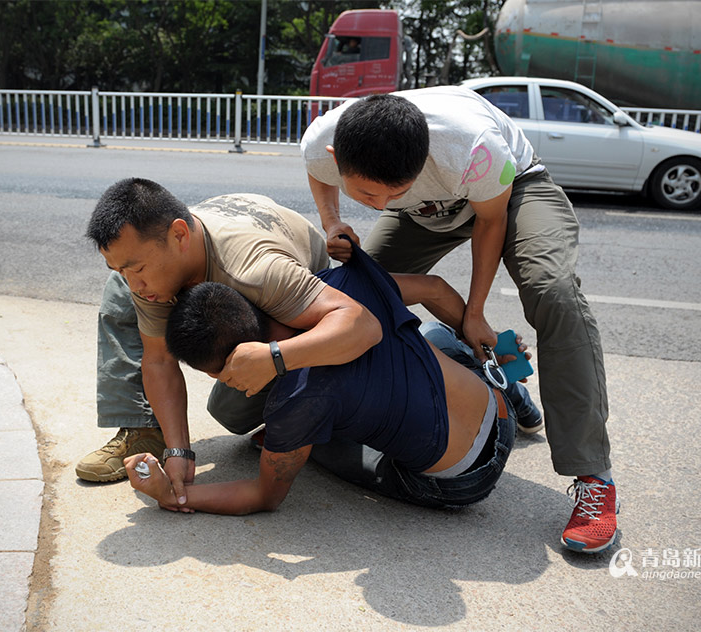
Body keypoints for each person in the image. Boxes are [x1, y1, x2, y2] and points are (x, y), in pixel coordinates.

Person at [300, 87, 617, 553]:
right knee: (360, 297)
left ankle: (594, 476)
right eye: (368, 193)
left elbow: (490, 224)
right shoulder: (323, 139)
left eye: (395, 190)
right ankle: (506, 383)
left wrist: (476, 312)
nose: (382, 204)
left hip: (509, 192)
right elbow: (320, 175)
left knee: (553, 292)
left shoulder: (472, 147)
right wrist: (333, 223)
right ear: (336, 155)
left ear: (423, 158)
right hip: (425, 210)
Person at [125, 240, 518, 513]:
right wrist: (488, 341)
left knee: (306, 446)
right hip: (497, 410)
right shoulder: (334, 288)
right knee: (428, 336)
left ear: (235, 362)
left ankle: (298, 443)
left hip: (464, 480)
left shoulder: (295, 402)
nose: (224, 383)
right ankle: (511, 376)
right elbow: (434, 287)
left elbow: (263, 496)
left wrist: (173, 496)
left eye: (217, 375)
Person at [76, 178, 384, 515]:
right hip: (218, 241)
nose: (135, 284)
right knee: (121, 293)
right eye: (122, 269)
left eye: (136, 269)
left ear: (179, 235)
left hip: (279, 270)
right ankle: (146, 430)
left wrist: (274, 358)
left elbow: (362, 325)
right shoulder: (154, 266)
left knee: (233, 410)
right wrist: (178, 451)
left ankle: (325, 418)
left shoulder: (258, 271)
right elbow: (160, 360)